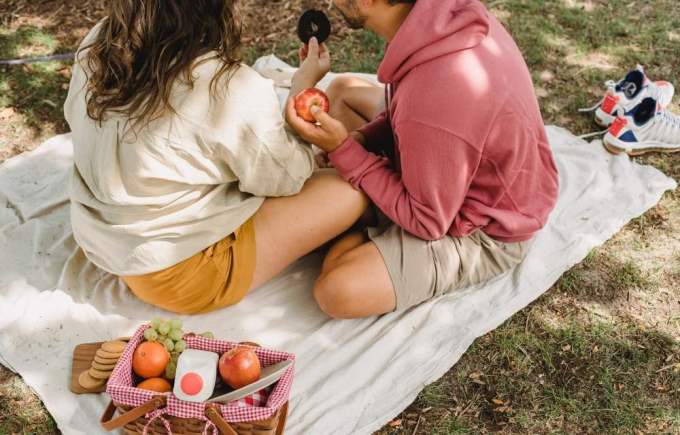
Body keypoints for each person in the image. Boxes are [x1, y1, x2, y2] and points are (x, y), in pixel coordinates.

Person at [64, 0, 368, 314]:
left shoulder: (100, 40)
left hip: (109, 243)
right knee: (352, 188)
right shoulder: (224, 87)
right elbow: (288, 177)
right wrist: (300, 88)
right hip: (180, 274)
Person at [286, 0, 560, 318]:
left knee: (336, 289)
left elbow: (427, 221)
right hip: (451, 167)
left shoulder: (436, 92)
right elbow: (403, 112)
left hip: (486, 228)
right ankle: (375, 210)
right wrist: (360, 140)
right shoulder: (436, 19)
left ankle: (373, 222)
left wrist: (344, 151)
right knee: (343, 92)